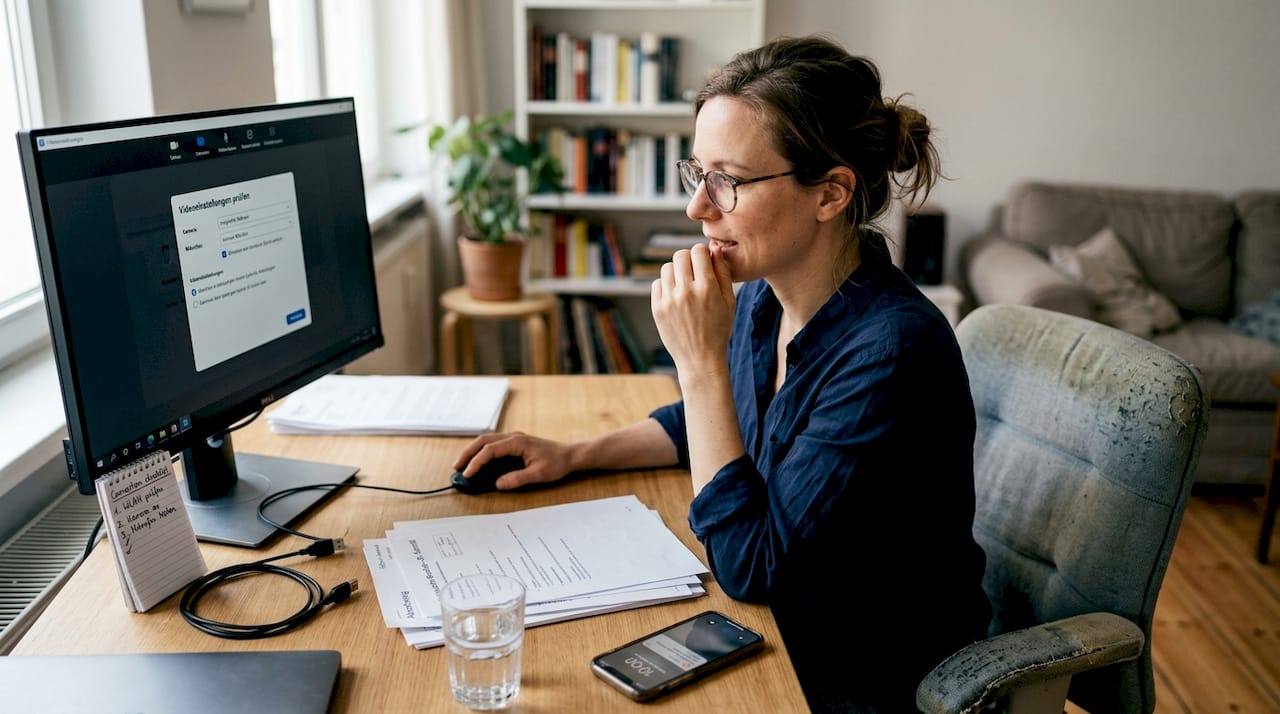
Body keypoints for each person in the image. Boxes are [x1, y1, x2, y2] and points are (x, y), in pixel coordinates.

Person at [453, 34, 991, 712]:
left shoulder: (890, 353)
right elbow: (715, 423)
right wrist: (574, 455)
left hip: (855, 675)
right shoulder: (768, 296)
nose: (697, 208)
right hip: (782, 634)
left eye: (728, 181)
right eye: (697, 173)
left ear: (830, 193)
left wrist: (698, 359)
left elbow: (750, 567)